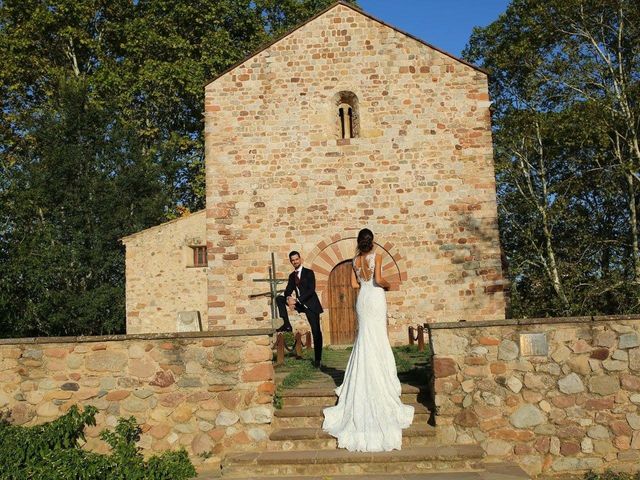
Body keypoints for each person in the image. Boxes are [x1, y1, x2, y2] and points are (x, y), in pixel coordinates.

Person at [322, 228, 414, 452]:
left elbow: (355, 285)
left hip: (363, 299)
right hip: (375, 297)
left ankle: (363, 373)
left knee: (364, 338)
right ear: (371, 241)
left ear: (358, 242)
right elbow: (380, 279)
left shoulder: (355, 260)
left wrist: (366, 282)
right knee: (378, 337)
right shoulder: (377, 256)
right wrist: (388, 285)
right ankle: (381, 375)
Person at [275, 251, 324, 368]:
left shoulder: (309, 273)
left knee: (316, 331)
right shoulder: (292, 276)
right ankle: (287, 324)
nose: (295, 262)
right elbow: (288, 290)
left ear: (300, 259)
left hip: (311, 305)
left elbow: (311, 290)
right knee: (279, 298)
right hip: (299, 304)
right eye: (292, 260)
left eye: (296, 259)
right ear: (291, 262)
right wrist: (288, 298)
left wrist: (297, 300)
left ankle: (318, 360)